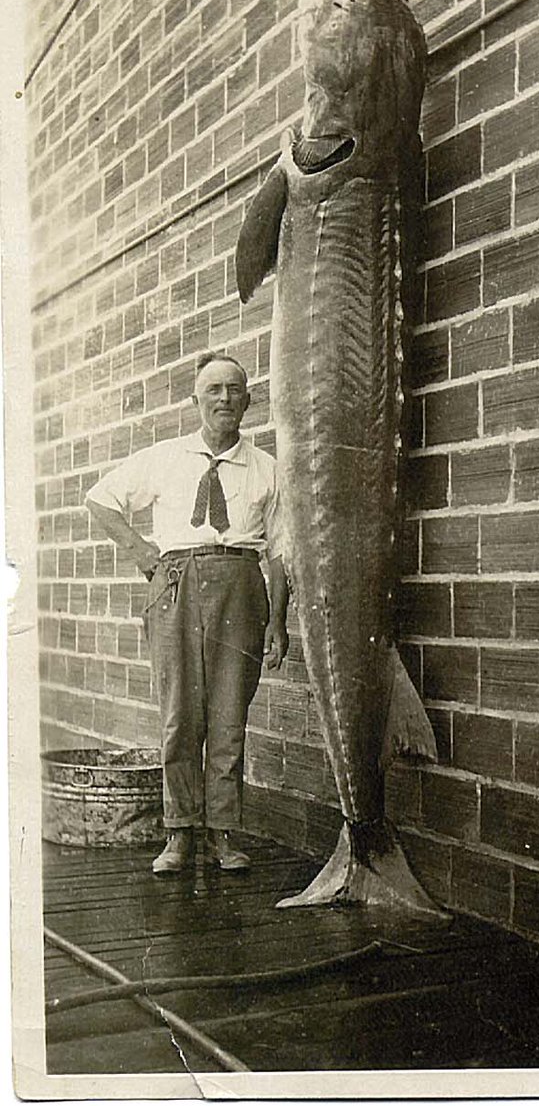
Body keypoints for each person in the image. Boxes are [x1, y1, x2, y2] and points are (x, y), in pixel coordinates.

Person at [85, 351, 289, 873]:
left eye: (234, 390)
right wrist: (140, 553)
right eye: (214, 390)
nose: (224, 398)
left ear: (249, 401)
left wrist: (279, 621)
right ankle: (179, 833)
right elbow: (100, 499)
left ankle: (222, 833)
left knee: (228, 716)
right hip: (175, 584)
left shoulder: (266, 469)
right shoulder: (164, 457)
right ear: (195, 400)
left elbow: (282, 553)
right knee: (179, 714)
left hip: (241, 585)